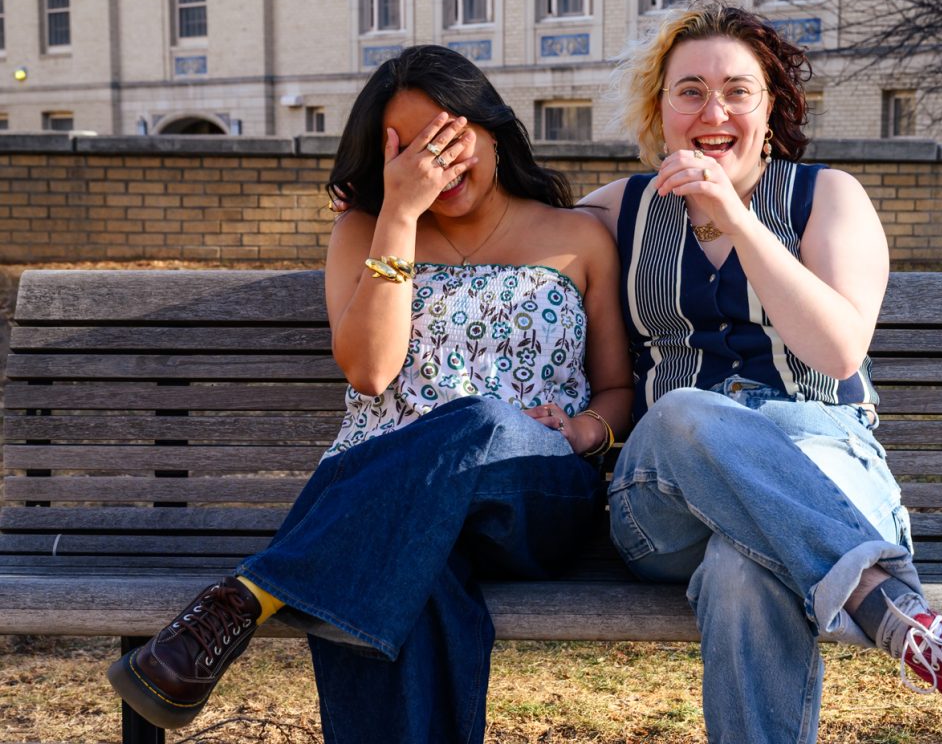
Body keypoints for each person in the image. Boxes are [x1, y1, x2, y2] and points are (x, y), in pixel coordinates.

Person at [579, 0, 942, 743]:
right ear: (660, 109)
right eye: (689, 90)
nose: (712, 109)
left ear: (771, 104)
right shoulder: (621, 210)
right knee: (686, 410)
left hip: (825, 461)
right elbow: (507, 230)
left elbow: (839, 351)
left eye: (736, 90)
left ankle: (898, 622)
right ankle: (918, 634)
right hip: (664, 501)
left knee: (743, 572)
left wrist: (740, 219)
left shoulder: (829, 198)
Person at [106, 44, 632, 743]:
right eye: (409, 151)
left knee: (478, 420)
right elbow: (370, 372)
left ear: (493, 129)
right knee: (415, 576)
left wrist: (588, 431)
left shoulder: (579, 238)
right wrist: (399, 216)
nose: (433, 165)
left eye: (447, 139)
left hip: (529, 485)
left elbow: (619, 386)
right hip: (388, 503)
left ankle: (250, 596)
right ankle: (275, 588)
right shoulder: (367, 230)